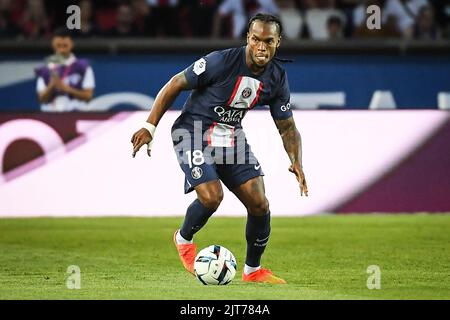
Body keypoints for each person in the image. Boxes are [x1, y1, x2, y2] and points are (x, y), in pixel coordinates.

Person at [131, 13, 308, 284]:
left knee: (260, 204)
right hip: (192, 131)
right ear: (248, 38)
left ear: (278, 42)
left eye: (268, 41)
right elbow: (175, 83)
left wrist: (296, 160)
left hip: (231, 137)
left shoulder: (277, 77)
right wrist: (149, 126)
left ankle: (252, 271)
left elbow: (286, 126)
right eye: (256, 39)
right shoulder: (220, 61)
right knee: (212, 197)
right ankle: (183, 239)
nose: (261, 47)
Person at [34, 28, 95, 112]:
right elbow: (41, 99)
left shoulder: (83, 66)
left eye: (65, 45)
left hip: (75, 115)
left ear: (72, 44)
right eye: (59, 45)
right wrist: (52, 85)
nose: (62, 49)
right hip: (50, 116)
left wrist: (67, 89)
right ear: (53, 44)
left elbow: (88, 96)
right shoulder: (44, 69)